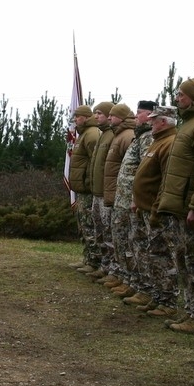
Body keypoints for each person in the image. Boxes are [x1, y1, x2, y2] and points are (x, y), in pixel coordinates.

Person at [155, 78, 194, 335]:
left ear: (193, 97)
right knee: (186, 260)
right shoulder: (190, 124)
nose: (176, 98)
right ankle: (192, 311)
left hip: (191, 209)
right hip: (180, 207)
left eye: (181, 95)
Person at [131, 105, 179, 315]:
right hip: (146, 208)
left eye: (154, 119)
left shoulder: (169, 144)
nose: (149, 122)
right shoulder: (157, 142)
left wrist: (156, 210)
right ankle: (158, 297)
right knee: (154, 254)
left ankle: (168, 302)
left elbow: (165, 181)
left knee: (163, 256)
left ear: (163, 122)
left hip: (157, 211)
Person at [115, 101, 157, 304]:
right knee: (133, 243)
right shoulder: (139, 136)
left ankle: (145, 287)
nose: (135, 117)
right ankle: (137, 284)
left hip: (137, 202)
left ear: (150, 115)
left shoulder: (148, 138)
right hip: (127, 200)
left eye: (139, 113)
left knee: (141, 244)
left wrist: (136, 198)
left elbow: (144, 171)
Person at [99, 103, 136, 291]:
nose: (109, 118)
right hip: (114, 194)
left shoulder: (127, 136)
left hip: (122, 196)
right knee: (117, 238)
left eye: (113, 115)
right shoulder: (117, 135)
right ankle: (121, 275)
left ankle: (127, 279)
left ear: (121, 117)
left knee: (125, 240)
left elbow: (130, 170)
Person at [83, 101, 117, 279]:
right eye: (95, 113)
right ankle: (104, 266)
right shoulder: (103, 135)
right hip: (97, 192)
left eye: (100, 113)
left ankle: (112, 270)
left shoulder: (112, 135)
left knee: (108, 232)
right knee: (99, 232)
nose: (96, 116)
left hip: (106, 194)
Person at [67, 105, 100, 270]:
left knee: (89, 225)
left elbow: (95, 162)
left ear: (86, 117)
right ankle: (88, 258)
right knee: (83, 225)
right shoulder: (84, 134)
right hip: (81, 189)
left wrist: (88, 183)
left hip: (87, 190)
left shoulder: (92, 134)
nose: (75, 119)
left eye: (77, 116)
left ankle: (94, 262)